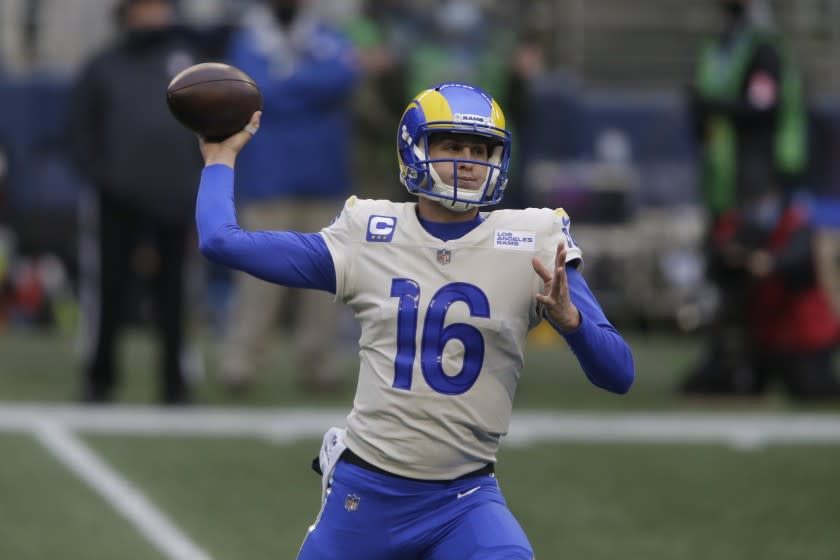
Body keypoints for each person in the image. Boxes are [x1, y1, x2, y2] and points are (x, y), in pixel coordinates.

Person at [196, 82, 635, 559]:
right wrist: (220, 157)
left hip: (464, 499)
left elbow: (619, 374)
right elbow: (221, 241)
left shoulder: (532, 239)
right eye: (452, 145)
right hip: (367, 495)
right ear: (415, 148)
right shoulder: (370, 231)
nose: (469, 161)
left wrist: (572, 323)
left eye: (482, 148)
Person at [219, 0, 358, 392]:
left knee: (327, 281)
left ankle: (320, 366)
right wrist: (306, 85)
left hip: (324, 176)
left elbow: (341, 77)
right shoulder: (248, 38)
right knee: (258, 280)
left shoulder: (329, 36)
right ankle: (241, 364)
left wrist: (285, 82)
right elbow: (253, 91)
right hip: (269, 178)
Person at [69, 0, 202, 404]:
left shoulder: (188, 62)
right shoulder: (103, 66)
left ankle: (175, 384)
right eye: (146, 7)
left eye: (160, 7)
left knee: (175, 296)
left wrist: (197, 175)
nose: (155, 16)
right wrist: (104, 176)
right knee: (108, 291)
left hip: (175, 197)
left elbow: (209, 122)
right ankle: (99, 379)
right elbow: (79, 128)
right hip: (117, 198)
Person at [681, 0, 809, 395]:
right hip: (723, 178)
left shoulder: (762, 47)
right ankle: (728, 359)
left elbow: (762, 105)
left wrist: (712, 106)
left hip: (755, 174)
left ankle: (750, 363)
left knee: (748, 269)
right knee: (722, 269)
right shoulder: (721, 47)